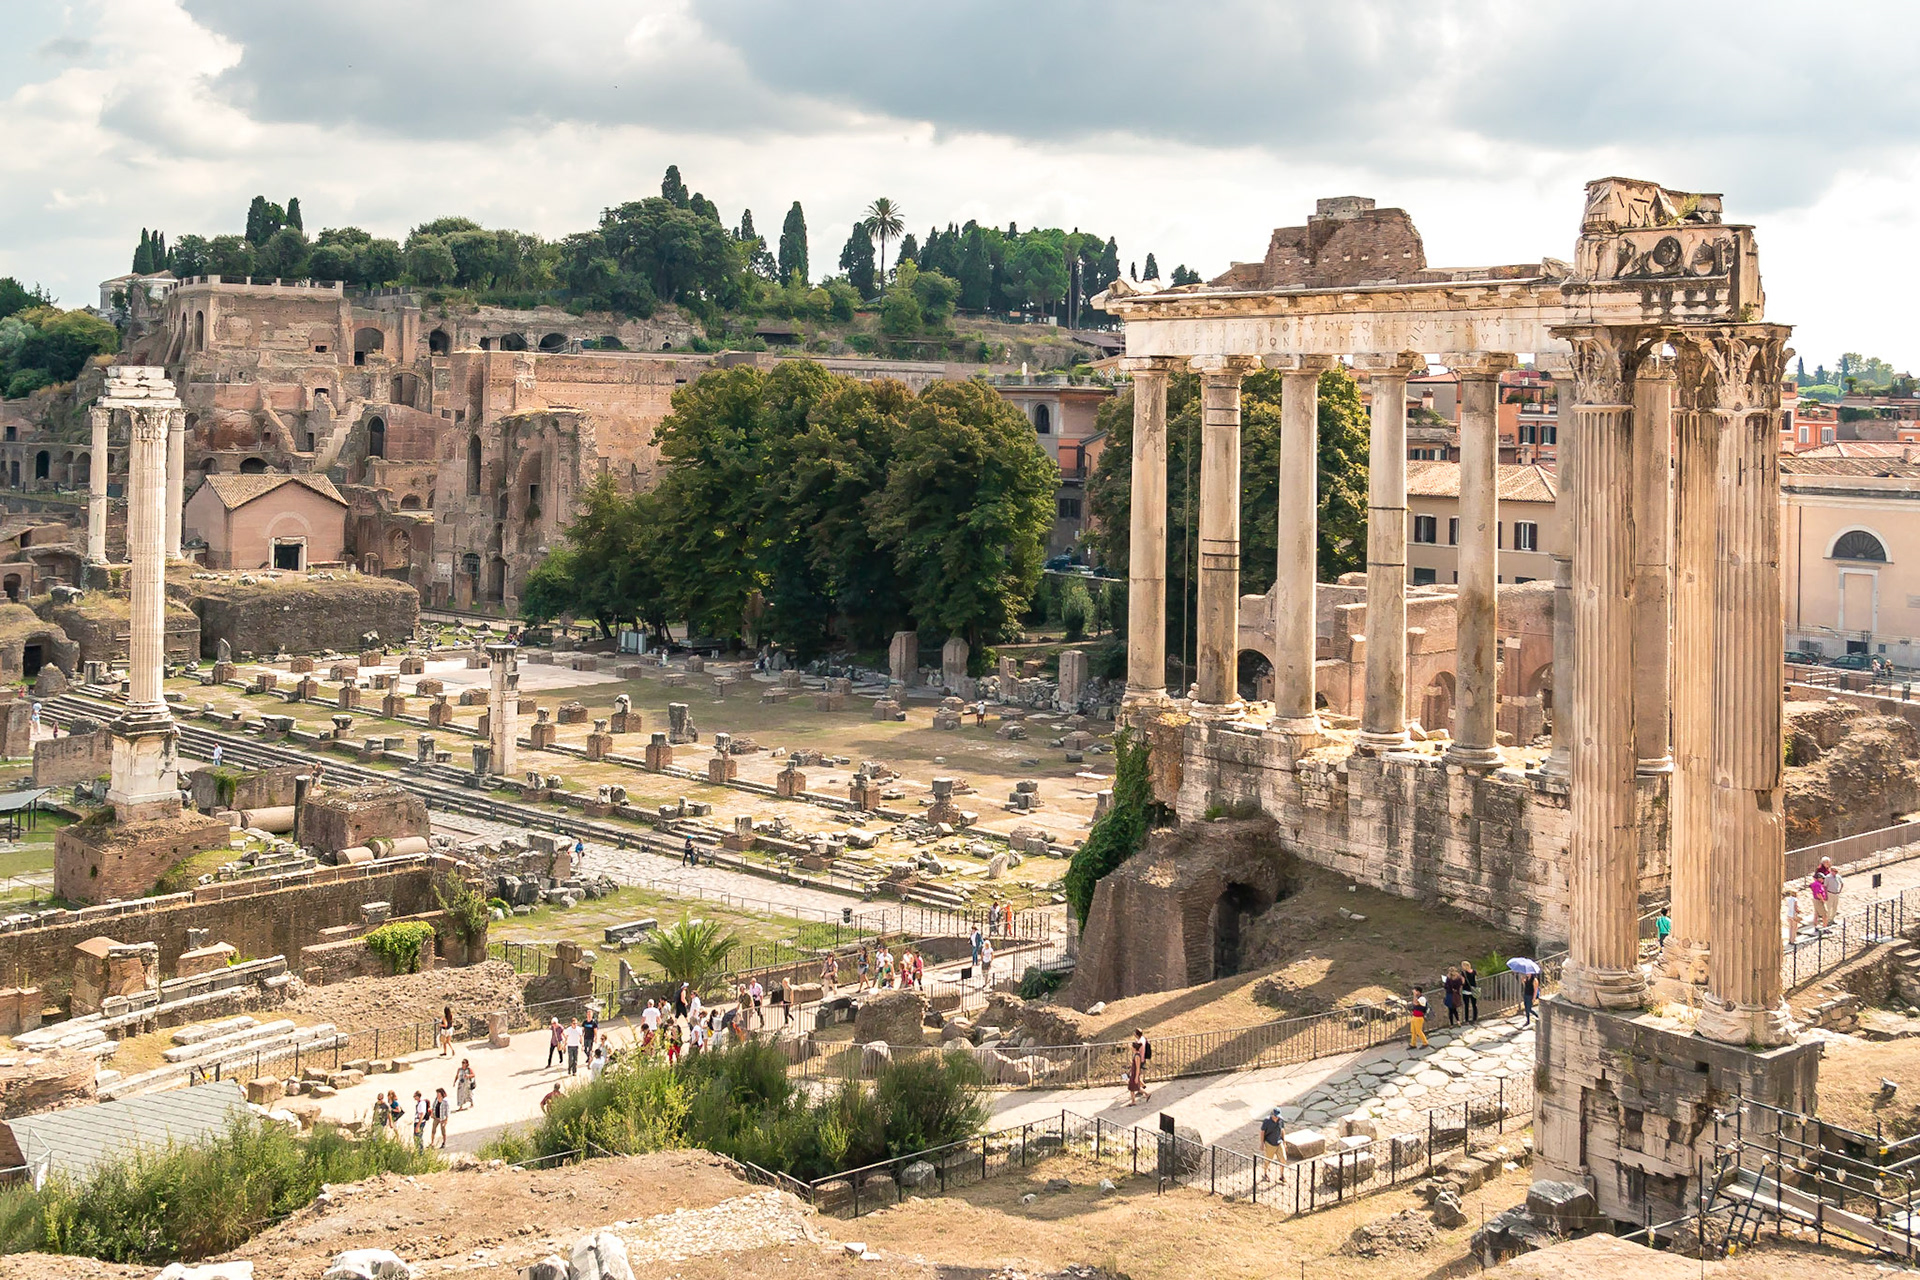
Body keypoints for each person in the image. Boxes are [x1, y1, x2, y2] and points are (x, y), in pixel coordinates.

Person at [1259, 1107, 1287, 1176]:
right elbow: (1262, 1132)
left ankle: (1282, 1174)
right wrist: (1262, 1143)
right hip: (1270, 1143)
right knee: (1268, 1159)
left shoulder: (1281, 1120)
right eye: (1275, 1116)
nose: (1276, 1118)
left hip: (1279, 1142)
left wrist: (1284, 1142)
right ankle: (1265, 1173)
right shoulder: (1267, 1121)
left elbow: (1282, 1130)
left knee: (1283, 1159)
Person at [1127, 1029, 1151, 1104]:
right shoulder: (1142, 1039)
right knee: (1134, 1084)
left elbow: (1137, 1068)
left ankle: (1143, 1091)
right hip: (1140, 1061)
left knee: (1133, 1085)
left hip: (1139, 1062)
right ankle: (1143, 1087)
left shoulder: (1137, 1053)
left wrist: (1136, 1077)